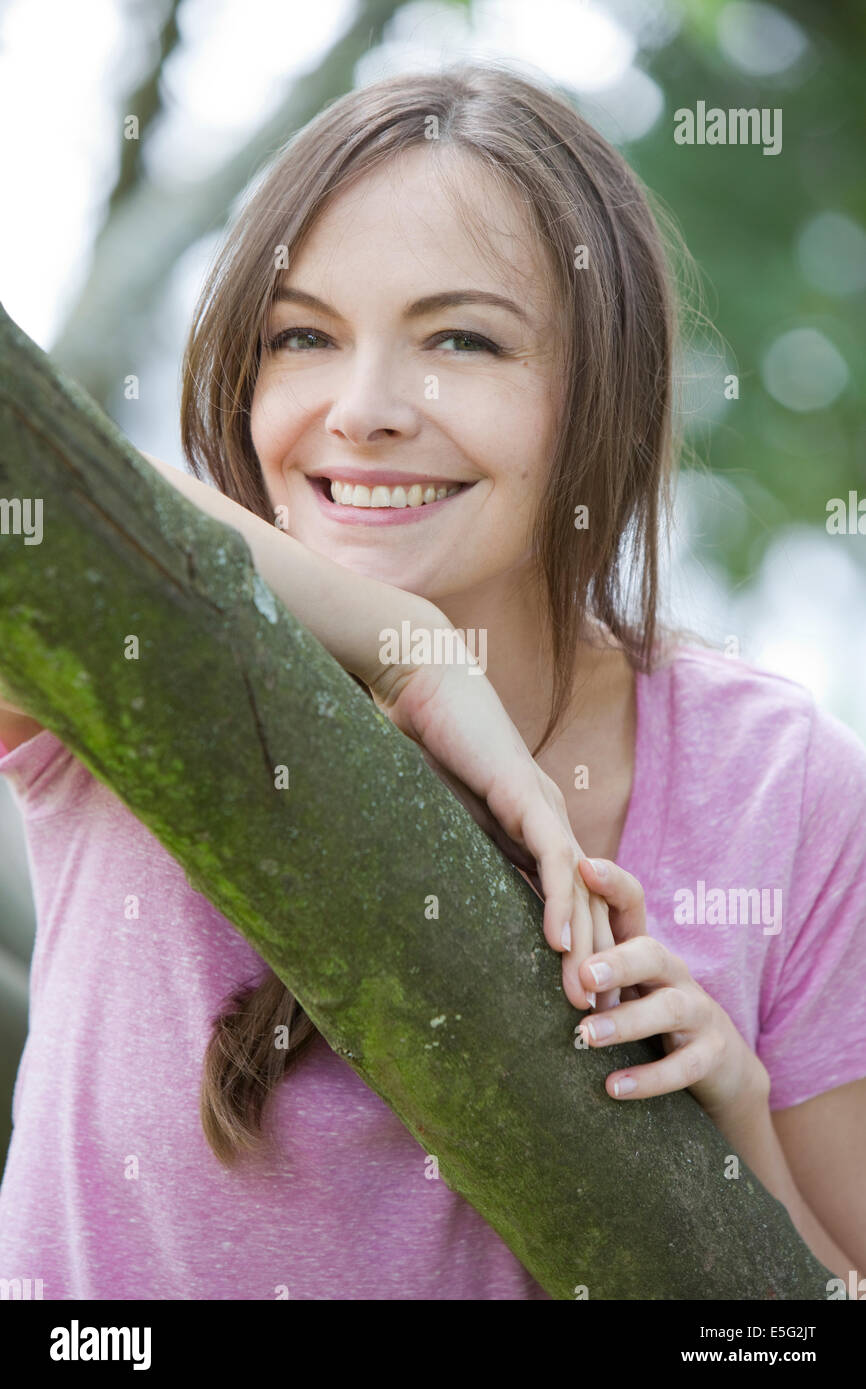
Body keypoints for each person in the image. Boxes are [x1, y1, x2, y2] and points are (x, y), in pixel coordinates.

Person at [1, 62, 864, 1301]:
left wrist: (741, 1146)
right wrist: (405, 641)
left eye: (461, 339)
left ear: (602, 393)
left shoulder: (777, 786)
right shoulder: (130, 651)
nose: (361, 411)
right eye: (302, 336)